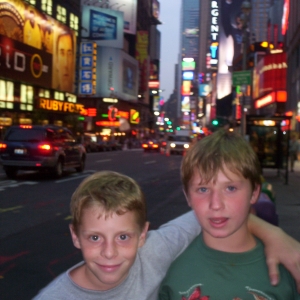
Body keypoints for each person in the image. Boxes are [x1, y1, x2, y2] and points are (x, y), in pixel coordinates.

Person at [32, 171, 300, 300]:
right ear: (75, 236)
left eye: (123, 237)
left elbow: (209, 216)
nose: (109, 252)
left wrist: (271, 232)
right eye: (94, 238)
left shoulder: (154, 251)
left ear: (143, 235)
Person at [159, 129, 300, 299]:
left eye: (230, 188)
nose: (216, 204)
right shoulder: (172, 274)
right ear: (187, 196)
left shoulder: (288, 267)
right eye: (203, 189)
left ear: (254, 192)